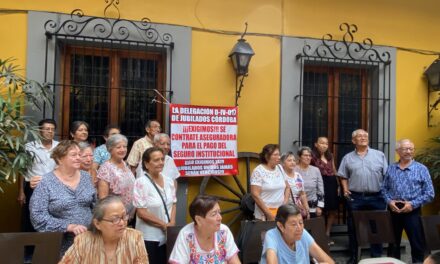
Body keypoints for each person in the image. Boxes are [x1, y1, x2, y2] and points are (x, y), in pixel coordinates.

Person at [30, 140, 96, 254]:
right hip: (59, 244)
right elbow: (38, 216)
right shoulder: (45, 182)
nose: (78, 158)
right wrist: (68, 226)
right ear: (59, 159)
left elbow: (95, 205)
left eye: (79, 154)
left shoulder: (86, 177)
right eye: (73, 155)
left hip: (88, 241)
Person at [338, 129, 388, 264]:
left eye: (365, 136)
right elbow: (343, 176)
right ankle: (354, 256)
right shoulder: (347, 158)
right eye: (359, 136)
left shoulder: (380, 155)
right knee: (353, 228)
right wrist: (345, 189)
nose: (363, 138)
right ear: (353, 141)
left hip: (377, 197)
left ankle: (377, 257)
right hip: (356, 198)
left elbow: (387, 176)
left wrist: (385, 193)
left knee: (376, 228)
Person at [381, 139, 435, 263]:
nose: (409, 151)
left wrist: (412, 204)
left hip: (412, 210)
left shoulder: (422, 169)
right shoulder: (391, 168)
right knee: (393, 244)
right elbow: (383, 189)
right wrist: (389, 202)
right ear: (398, 151)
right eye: (405, 149)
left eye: (411, 149)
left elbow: (430, 193)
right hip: (393, 209)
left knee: (417, 244)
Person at [59, 195, 149, 263]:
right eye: (115, 219)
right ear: (97, 224)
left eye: (124, 216)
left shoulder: (135, 238)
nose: (122, 223)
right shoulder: (83, 241)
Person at [133, 147, 176, 264]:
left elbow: (174, 203)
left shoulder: (169, 181)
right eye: (156, 160)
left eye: (162, 159)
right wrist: (164, 225)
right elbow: (141, 213)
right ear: (146, 164)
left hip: (167, 235)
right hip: (149, 237)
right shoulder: (141, 183)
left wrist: (171, 224)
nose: (161, 162)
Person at [169, 195, 240, 264]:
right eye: (214, 214)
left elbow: (233, 260)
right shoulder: (186, 235)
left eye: (219, 212)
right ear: (198, 220)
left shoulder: (223, 231)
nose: (220, 218)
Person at [18, 119, 59, 233]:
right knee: (30, 218)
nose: (50, 132)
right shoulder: (29, 147)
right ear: (40, 131)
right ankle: (29, 250)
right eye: (47, 129)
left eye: (52, 129)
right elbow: (22, 170)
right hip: (33, 188)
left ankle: (49, 248)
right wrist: (21, 191)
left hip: (54, 188)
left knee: (52, 216)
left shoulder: (59, 147)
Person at [260, 204, 334, 264]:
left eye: (301, 223)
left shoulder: (303, 233)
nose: (299, 228)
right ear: (281, 226)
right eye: (293, 224)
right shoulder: (272, 236)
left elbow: (329, 262)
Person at [97, 134, 136, 217]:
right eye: (118, 147)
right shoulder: (105, 168)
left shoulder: (125, 164)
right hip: (115, 215)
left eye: (124, 147)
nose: (122, 150)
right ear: (110, 149)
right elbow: (103, 198)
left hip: (129, 214)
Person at [251, 144, 290, 221]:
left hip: (280, 213)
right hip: (264, 215)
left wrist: (284, 204)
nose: (279, 157)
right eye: (275, 155)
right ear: (267, 156)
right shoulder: (258, 171)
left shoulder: (280, 168)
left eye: (279, 154)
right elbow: (255, 195)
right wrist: (268, 214)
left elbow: (287, 187)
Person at [311, 137, 339, 242]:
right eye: (322, 143)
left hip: (331, 183)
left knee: (332, 209)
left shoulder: (330, 155)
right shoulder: (312, 157)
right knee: (320, 209)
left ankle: (327, 233)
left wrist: (338, 185)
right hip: (319, 182)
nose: (324, 145)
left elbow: (334, 170)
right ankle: (320, 234)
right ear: (316, 144)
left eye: (326, 143)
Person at [294, 146, 324, 218]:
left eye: (310, 156)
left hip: (313, 206)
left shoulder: (315, 170)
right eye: (305, 155)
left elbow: (320, 189)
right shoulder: (294, 169)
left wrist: (319, 206)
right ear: (299, 157)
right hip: (297, 206)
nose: (308, 157)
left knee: (312, 227)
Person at [280, 152, 309, 219]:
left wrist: (307, 208)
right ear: (283, 163)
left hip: (298, 209)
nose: (292, 162)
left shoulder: (298, 176)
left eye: (294, 160)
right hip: (285, 208)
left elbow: (302, 194)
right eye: (289, 160)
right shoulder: (280, 176)